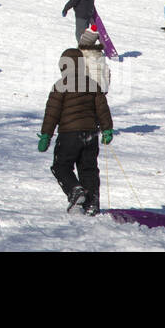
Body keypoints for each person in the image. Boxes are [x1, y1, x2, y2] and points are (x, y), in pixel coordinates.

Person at [38, 46, 113, 215]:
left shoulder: (60, 85)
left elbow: (52, 113)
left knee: (61, 166)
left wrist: (46, 135)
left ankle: (75, 190)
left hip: (69, 135)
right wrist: (107, 129)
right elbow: (102, 109)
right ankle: (91, 204)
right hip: (90, 135)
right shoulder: (92, 84)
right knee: (89, 169)